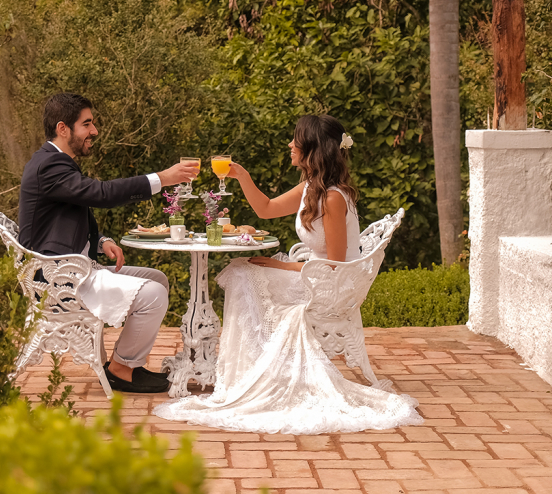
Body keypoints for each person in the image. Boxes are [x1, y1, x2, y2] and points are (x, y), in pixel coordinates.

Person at [153, 115, 422, 433]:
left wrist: (278, 265)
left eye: (297, 140)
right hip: (312, 275)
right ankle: (252, 369)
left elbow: (333, 264)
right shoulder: (312, 187)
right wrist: (242, 176)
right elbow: (266, 208)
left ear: (313, 150)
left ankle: (253, 372)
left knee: (244, 273)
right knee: (242, 270)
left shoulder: (333, 197)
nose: (290, 145)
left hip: (325, 285)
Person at [18, 93, 198, 394]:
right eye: (87, 124)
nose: (94, 131)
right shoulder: (49, 166)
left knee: (157, 279)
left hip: (70, 267)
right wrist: (161, 179)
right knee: (152, 294)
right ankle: (121, 370)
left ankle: (129, 363)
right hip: (59, 279)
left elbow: (64, 214)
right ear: (63, 129)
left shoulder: (55, 163)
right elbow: (100, 194)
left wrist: (101, 241)